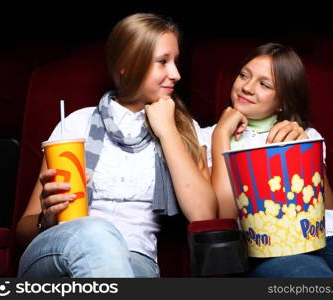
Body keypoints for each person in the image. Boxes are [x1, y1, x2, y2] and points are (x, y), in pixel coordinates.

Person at [16, 13, 217, 278]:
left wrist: (168, 132)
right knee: (97, 232)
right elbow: (23, 232)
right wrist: (47, 218)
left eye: (175, 61)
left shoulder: (183, 129)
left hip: (136, 259)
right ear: (126, 65)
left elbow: (204, 216)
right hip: (58, 251)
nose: (176, 74)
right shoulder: (77, 123)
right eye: (162, 62)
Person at [203, 42, 333, 277]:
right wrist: (221, 135)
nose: (247, 87)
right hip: (268, 244)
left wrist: (303, 155)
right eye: (243, 75)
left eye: (264, 84)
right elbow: (225, 215)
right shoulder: (207, 137)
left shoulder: (305, 135)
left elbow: (327, 209)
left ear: (283, 101)